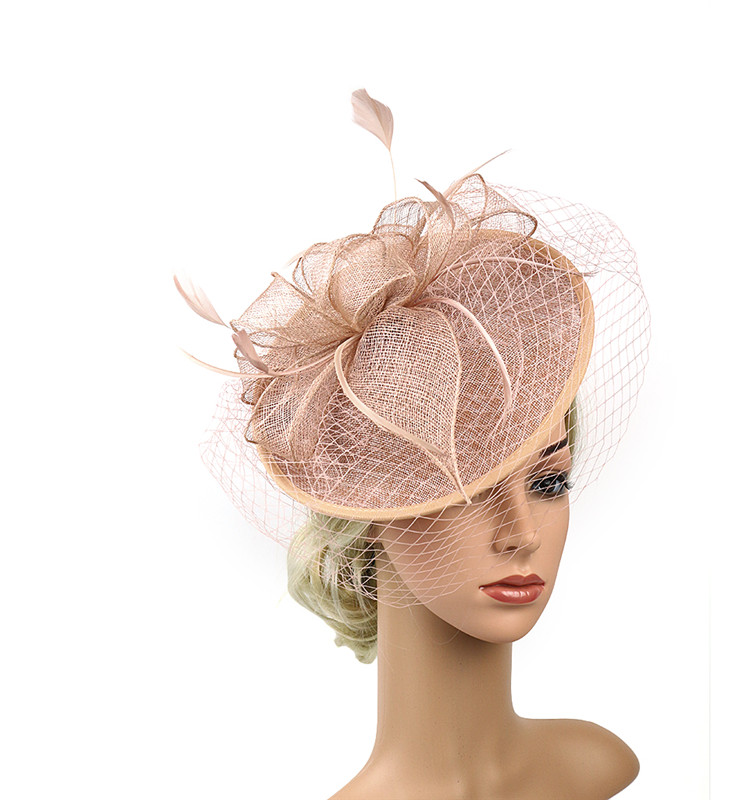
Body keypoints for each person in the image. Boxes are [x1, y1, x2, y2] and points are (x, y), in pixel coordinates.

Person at [177, 91, 649, 799]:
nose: (522, 533)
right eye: (467, 485)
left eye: (548, 482)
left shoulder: (593, 763)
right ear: (363, 503)